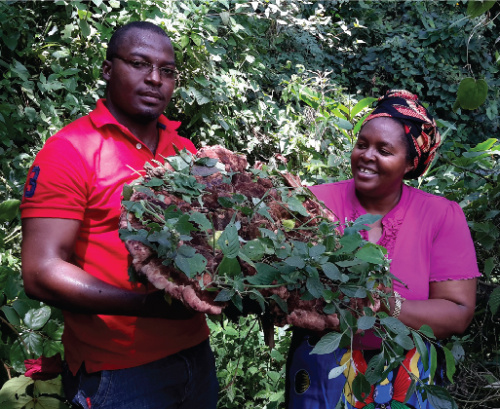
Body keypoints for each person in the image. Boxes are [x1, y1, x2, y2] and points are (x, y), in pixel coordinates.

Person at [20, 21, 219, 409]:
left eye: (167, 71)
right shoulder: (71, 151)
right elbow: (41, 272)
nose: (155, 79)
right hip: (119, 373)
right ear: (109, 70)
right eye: (139, 63)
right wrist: (151, 306)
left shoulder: (185, 152)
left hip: (195, 355)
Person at [286, 90, 480, 409]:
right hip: (324, 371)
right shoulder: (312, 203)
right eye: (362, 144)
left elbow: (458, 313)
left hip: (407, 372)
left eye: (383, 150)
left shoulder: (440, 216)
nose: (367, 155)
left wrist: (388, 303)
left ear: (409, 163)